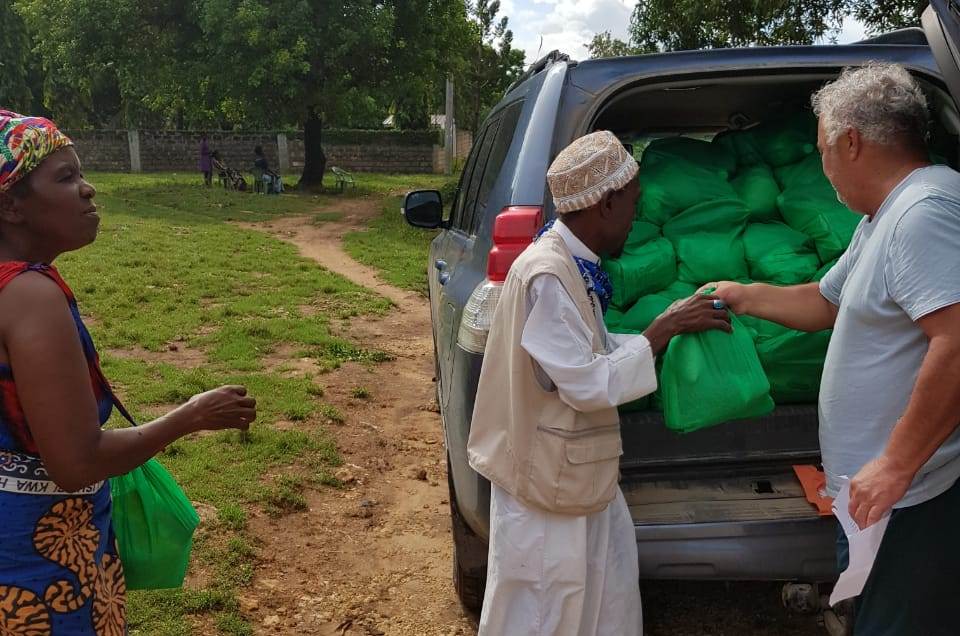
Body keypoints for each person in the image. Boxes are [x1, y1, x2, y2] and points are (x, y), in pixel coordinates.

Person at [706, 64, 960, 635]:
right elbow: (826, 301)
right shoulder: (883, 217)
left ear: (851, 142)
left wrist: (895, 463)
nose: (822, 167)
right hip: (877, 499)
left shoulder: (925, 213)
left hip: (911, 498)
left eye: (822, 150)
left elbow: (958, 341)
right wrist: (743, 294)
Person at [0, 110, 257, 634]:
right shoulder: (29, 297)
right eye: (65, 178)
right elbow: (76, 461)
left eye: (81, 173)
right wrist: (193, 415)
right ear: (10, 206)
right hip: (38, 563)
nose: (88, 189)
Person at [467, 130, 732, 636]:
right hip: (545, 495)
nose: (637, 214)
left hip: (577, 479)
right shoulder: (547, 275)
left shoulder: (571, 265)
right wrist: (661, 331)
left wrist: (667, 329)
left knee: (602, 603)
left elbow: (589, 348)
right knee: (546, 616)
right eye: (633, 202)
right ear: (606, 204)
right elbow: (586, 382)